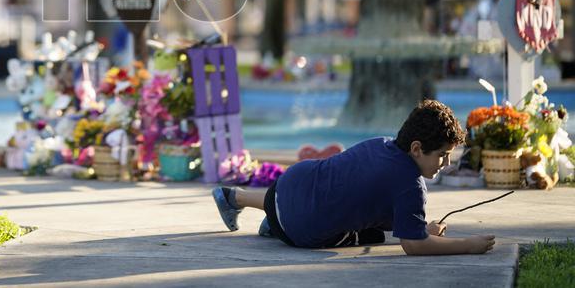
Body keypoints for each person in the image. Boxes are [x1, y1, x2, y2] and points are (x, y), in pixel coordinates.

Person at [212, 100, 497, 255]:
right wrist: (468, 245)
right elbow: (414, 245)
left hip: (289, 183)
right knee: (371, 234)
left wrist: (421, 228)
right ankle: (275, 226)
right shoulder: (411, 185)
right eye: (442, 155)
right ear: (417, 148)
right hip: (301, 233)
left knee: (328, 191)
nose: (446, 164)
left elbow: (365, 191)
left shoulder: (381, 143)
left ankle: (233, 196)